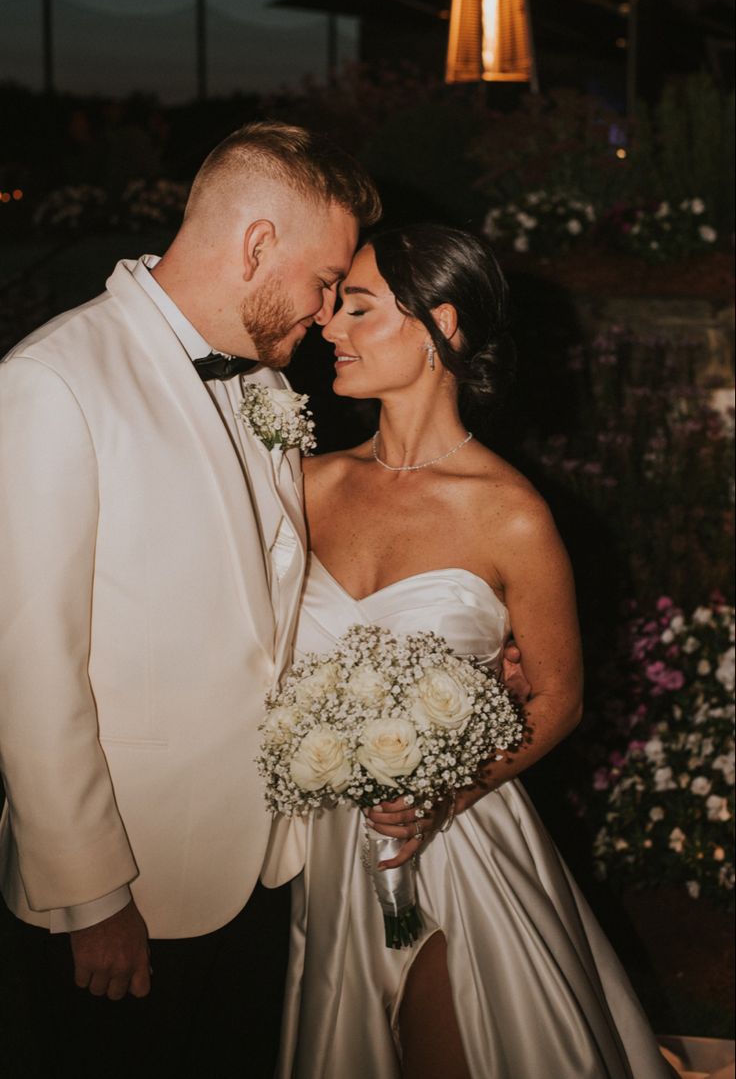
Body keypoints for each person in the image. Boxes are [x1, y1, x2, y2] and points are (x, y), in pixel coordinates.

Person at [0, 120, 381, 1078]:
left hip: (263, 870)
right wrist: (93, 901)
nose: (330, 312)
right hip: (129, 896)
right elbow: (29, 670)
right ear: (257, 246)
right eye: (325, 280)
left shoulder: (261, 379)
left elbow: (277, 601)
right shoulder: (52, 383)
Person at [269, 224, 674, 1079]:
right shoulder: (303, 485)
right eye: (336, 306)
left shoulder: (511, 513)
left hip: (458, 846)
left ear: (439, 327)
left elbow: (559, 699)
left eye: (359, 307)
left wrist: (448, 794)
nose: (331, 327)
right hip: (321, 853)